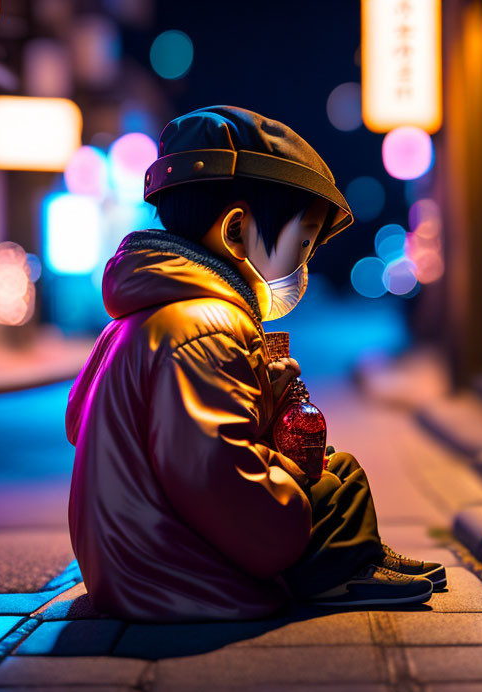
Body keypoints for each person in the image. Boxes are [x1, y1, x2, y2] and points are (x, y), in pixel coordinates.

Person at [66, 106, 446, 623]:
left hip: (130, 564)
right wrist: (293, 485)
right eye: (302, 242)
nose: (303, 265)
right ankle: (340, 575)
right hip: (173, 577)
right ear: (237, 231)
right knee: (332, 483)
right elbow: (218, 478)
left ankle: (361, 561)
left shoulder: (143, 316)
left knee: (327, 470)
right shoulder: (208, 325)